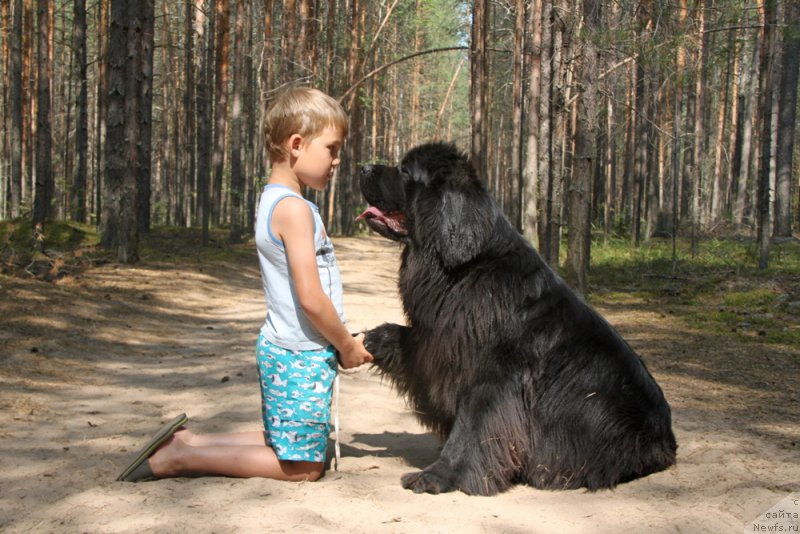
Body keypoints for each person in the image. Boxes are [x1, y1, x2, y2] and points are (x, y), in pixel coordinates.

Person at [117, 87, 373, 483]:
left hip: (286, 349)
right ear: (296, 145)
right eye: (332, 149)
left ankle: (191, 442)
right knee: (304, 467)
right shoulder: (294, 210)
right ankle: (179, 459)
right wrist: (345, 345)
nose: (337, 161)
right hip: (298, 356)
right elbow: (310, 297)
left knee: (282, 441)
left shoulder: (273, 199)